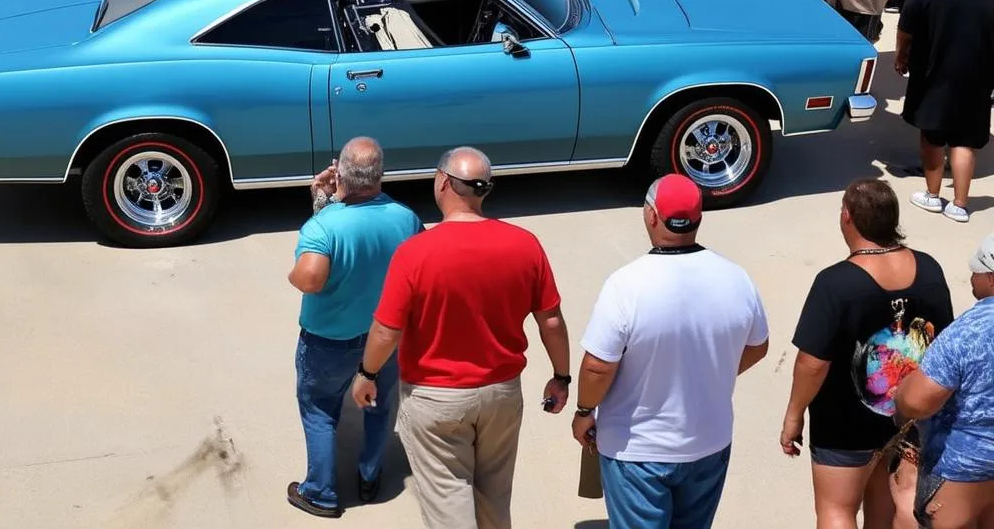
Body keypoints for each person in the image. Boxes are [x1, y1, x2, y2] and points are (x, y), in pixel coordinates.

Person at [352, 147, 570, 529]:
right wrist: (561, 377)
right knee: (494, 499)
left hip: (436, 399)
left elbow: (387, 330)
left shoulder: (414, 253)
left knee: (448, 505)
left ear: (442, 182)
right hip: (502, 393)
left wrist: (367, 374)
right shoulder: (525, 244)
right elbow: (550, 320)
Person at [575, 174, 769, 529]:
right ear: (699, 218)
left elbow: (597, 367)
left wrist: (584, 411)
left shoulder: (625, 285)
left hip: (637, 453)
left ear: (651, 216)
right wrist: (711, 370)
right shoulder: (736, 278)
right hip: (709, 444)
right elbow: (758, 346)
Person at [781, 179, 954, 529]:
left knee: (836, 510)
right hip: (907, 419)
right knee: (885, 503)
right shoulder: (930, 270)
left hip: (843, 428)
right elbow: (944, 344)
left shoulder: (836, 283)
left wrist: (794, 415)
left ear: (847, 217)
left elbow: (812, 363)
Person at [287, 138, 422, 519]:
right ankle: (369, 474)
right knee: (378, 406)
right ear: (379, 174)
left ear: (340, 173)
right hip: (385, 337)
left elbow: (309, 278)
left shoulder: (324, 225)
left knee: (320, 409)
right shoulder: (405, 217)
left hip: (328, 341)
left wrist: (320, 208)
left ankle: (321, 493)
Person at [895, 0, 994, 224]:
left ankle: (933, 195)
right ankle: (961, 205)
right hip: (977, 77)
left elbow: (905, 31)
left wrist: (901, 57)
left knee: (933, 136)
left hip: (932, 74)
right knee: (965, 140)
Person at [895, 232, 994, 529]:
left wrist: (900, 403)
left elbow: (917, 401)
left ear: (990, 277)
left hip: (964, 471)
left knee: (905, 489)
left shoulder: (970, 331)